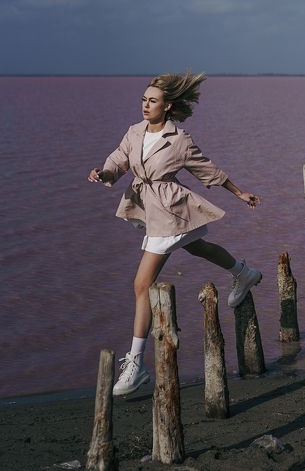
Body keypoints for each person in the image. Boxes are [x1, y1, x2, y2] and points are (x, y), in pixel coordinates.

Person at [87, 70, 262, 396]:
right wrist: (105, 171)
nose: (145, 105)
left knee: (142, 284)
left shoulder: (179, 140)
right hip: (152, 209)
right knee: (199, 247)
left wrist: (239, 193)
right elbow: (119, 159)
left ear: (167, 106)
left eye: (152, 101)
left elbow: (206, 169)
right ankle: (244, 272)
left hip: (169, 212)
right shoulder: (135, 132)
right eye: (143, 99)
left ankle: (136, 365)